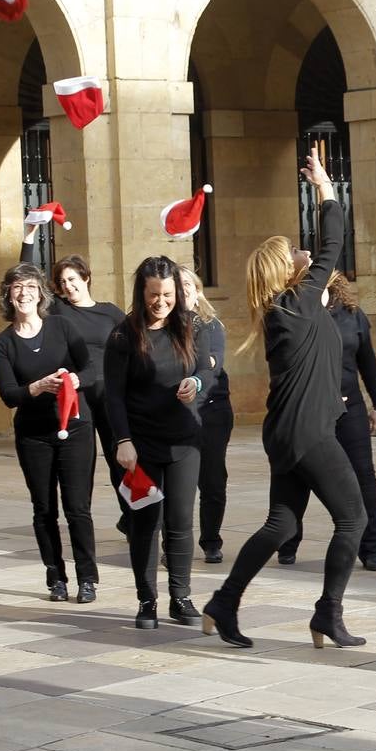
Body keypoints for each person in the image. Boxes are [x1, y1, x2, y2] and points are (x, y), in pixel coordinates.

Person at [201, 147, 365, 650]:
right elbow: (334, 240)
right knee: (352, 518)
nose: (304, 252)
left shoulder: (287, 309)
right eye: (293, 250)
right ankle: (327, 615)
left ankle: (224, 603)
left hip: (289, 430)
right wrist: (324, 188)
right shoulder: (294, 303)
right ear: (284, 269)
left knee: (281, 523)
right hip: (308, 431)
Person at [105, 257, 214, 629]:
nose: (162, 302)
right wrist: (123, 441)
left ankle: (180, 598)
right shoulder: (123, 335)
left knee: (181, 522)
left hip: (185, 441)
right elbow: (114, 397)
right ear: (142, 292)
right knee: (144, 523)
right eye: (154, 295)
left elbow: (208, 369)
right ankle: (146, 600)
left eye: (168, 294)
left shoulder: (190, 327)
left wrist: (197, 384)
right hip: (141, 446)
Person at [0, 258, 98, 603]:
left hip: (75, 427)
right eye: (17, 287)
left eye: (31, 287)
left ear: (40, 294)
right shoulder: (3, 344)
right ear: (9, 295)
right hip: (33, 434)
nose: (24, 293)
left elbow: (92, 367)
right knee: (44, 508)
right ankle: (56, 578)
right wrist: (37, 387)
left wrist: (77, 380)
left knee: (77, 507)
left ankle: (87, 578)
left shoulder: (62, 327)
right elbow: (9, 396)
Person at [275, 271, 376, 572]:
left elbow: (368, 361)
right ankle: (288, 541)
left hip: (349, 408)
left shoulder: (352, 314)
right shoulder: (295, 312)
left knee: (363, 474)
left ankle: (373, 548)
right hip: (310, 410)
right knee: (297, 475)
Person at [49, 246, 131, 532]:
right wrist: (31, 236)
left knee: (120, 459)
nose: (68, 286)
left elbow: (139, 337)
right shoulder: (58, 310)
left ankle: (132, 517)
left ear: (86, 278)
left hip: (109, 396)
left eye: (72, 279)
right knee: (82, 463)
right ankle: (81, 522)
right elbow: (25, 280)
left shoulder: (109, 312)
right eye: (62, 282)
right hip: (78, 396)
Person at [180, 267, 232, 564]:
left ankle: (211, 540)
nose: (183, 288)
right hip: (178, 411)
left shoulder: (211, 325)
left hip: (211, 409)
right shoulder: (163, 326)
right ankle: (176, 541)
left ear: (197, 288)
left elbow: (212, 364)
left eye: (188, 283)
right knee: (180, 481)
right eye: (178, 284)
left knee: (212, 479)